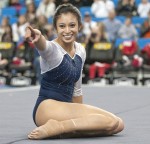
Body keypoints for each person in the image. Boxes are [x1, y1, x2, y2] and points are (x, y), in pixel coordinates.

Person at [25, 3, 124, 140]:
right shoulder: (53, 50)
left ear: (79, 27)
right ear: (55, 28)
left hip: (66, 108)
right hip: (47, 108)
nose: (67, 30)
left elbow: (77, 90)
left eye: (72, 25)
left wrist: (83, 123)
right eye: (62, 26)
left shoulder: (80, 50)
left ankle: (65, 129)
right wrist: (38, 38)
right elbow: (44, 47)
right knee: (110, 122)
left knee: (118, 125)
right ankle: (57, 127)